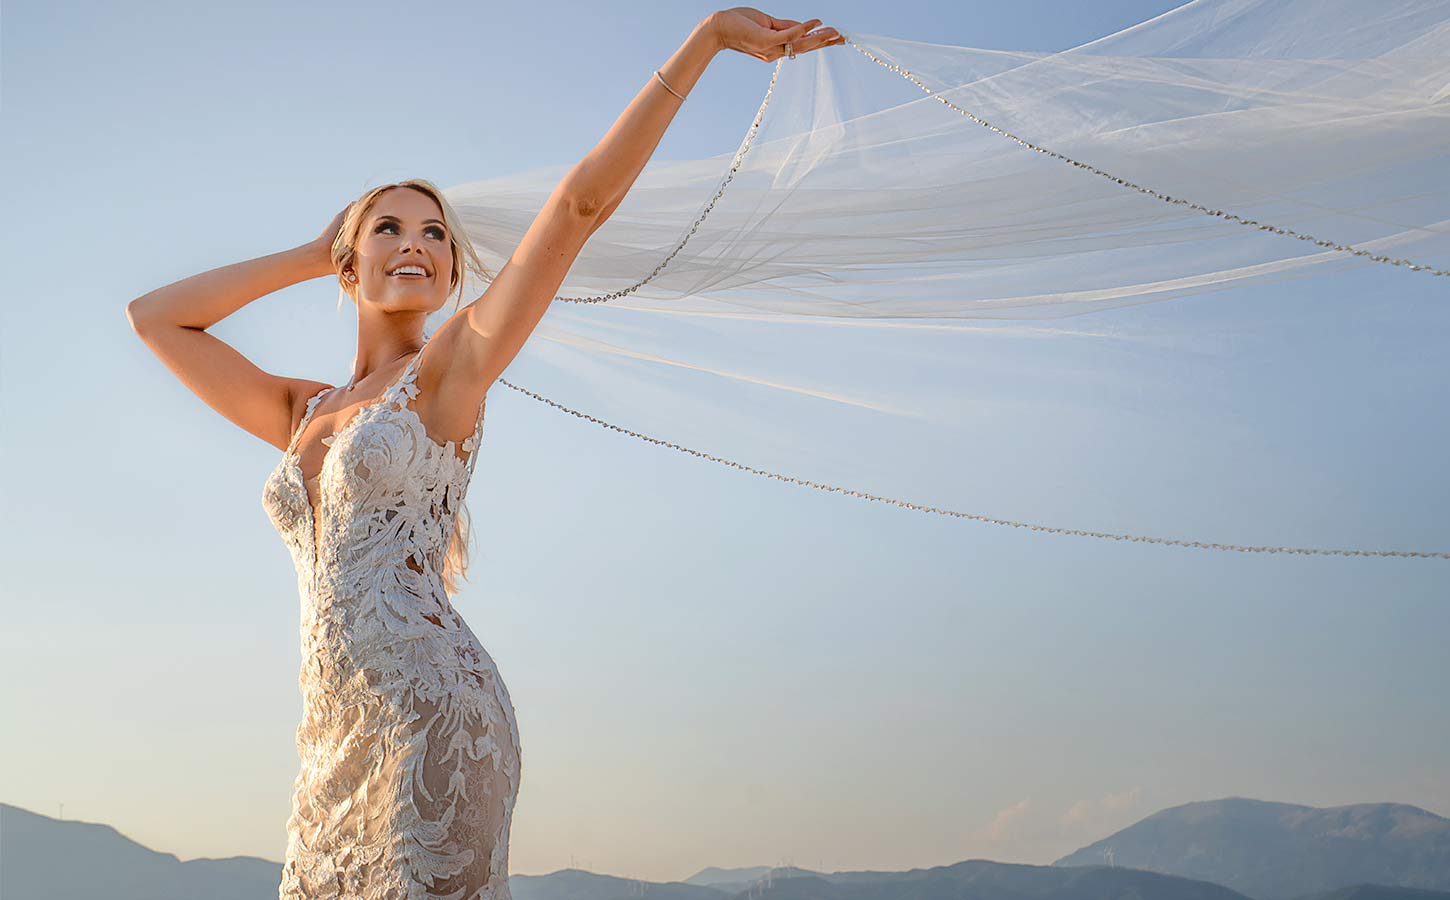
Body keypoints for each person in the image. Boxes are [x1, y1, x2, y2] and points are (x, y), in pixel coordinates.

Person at [125, 8, 843, 899]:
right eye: (387, 229)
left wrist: (704, 42)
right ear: (350, 266)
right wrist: (314, 250)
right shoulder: (300, 411)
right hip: (331, 737)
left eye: (434, 235)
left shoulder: (449, 371)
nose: (415, 244)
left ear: (455, 275)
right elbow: (157, 317)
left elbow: (581, 206)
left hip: (437, 713)